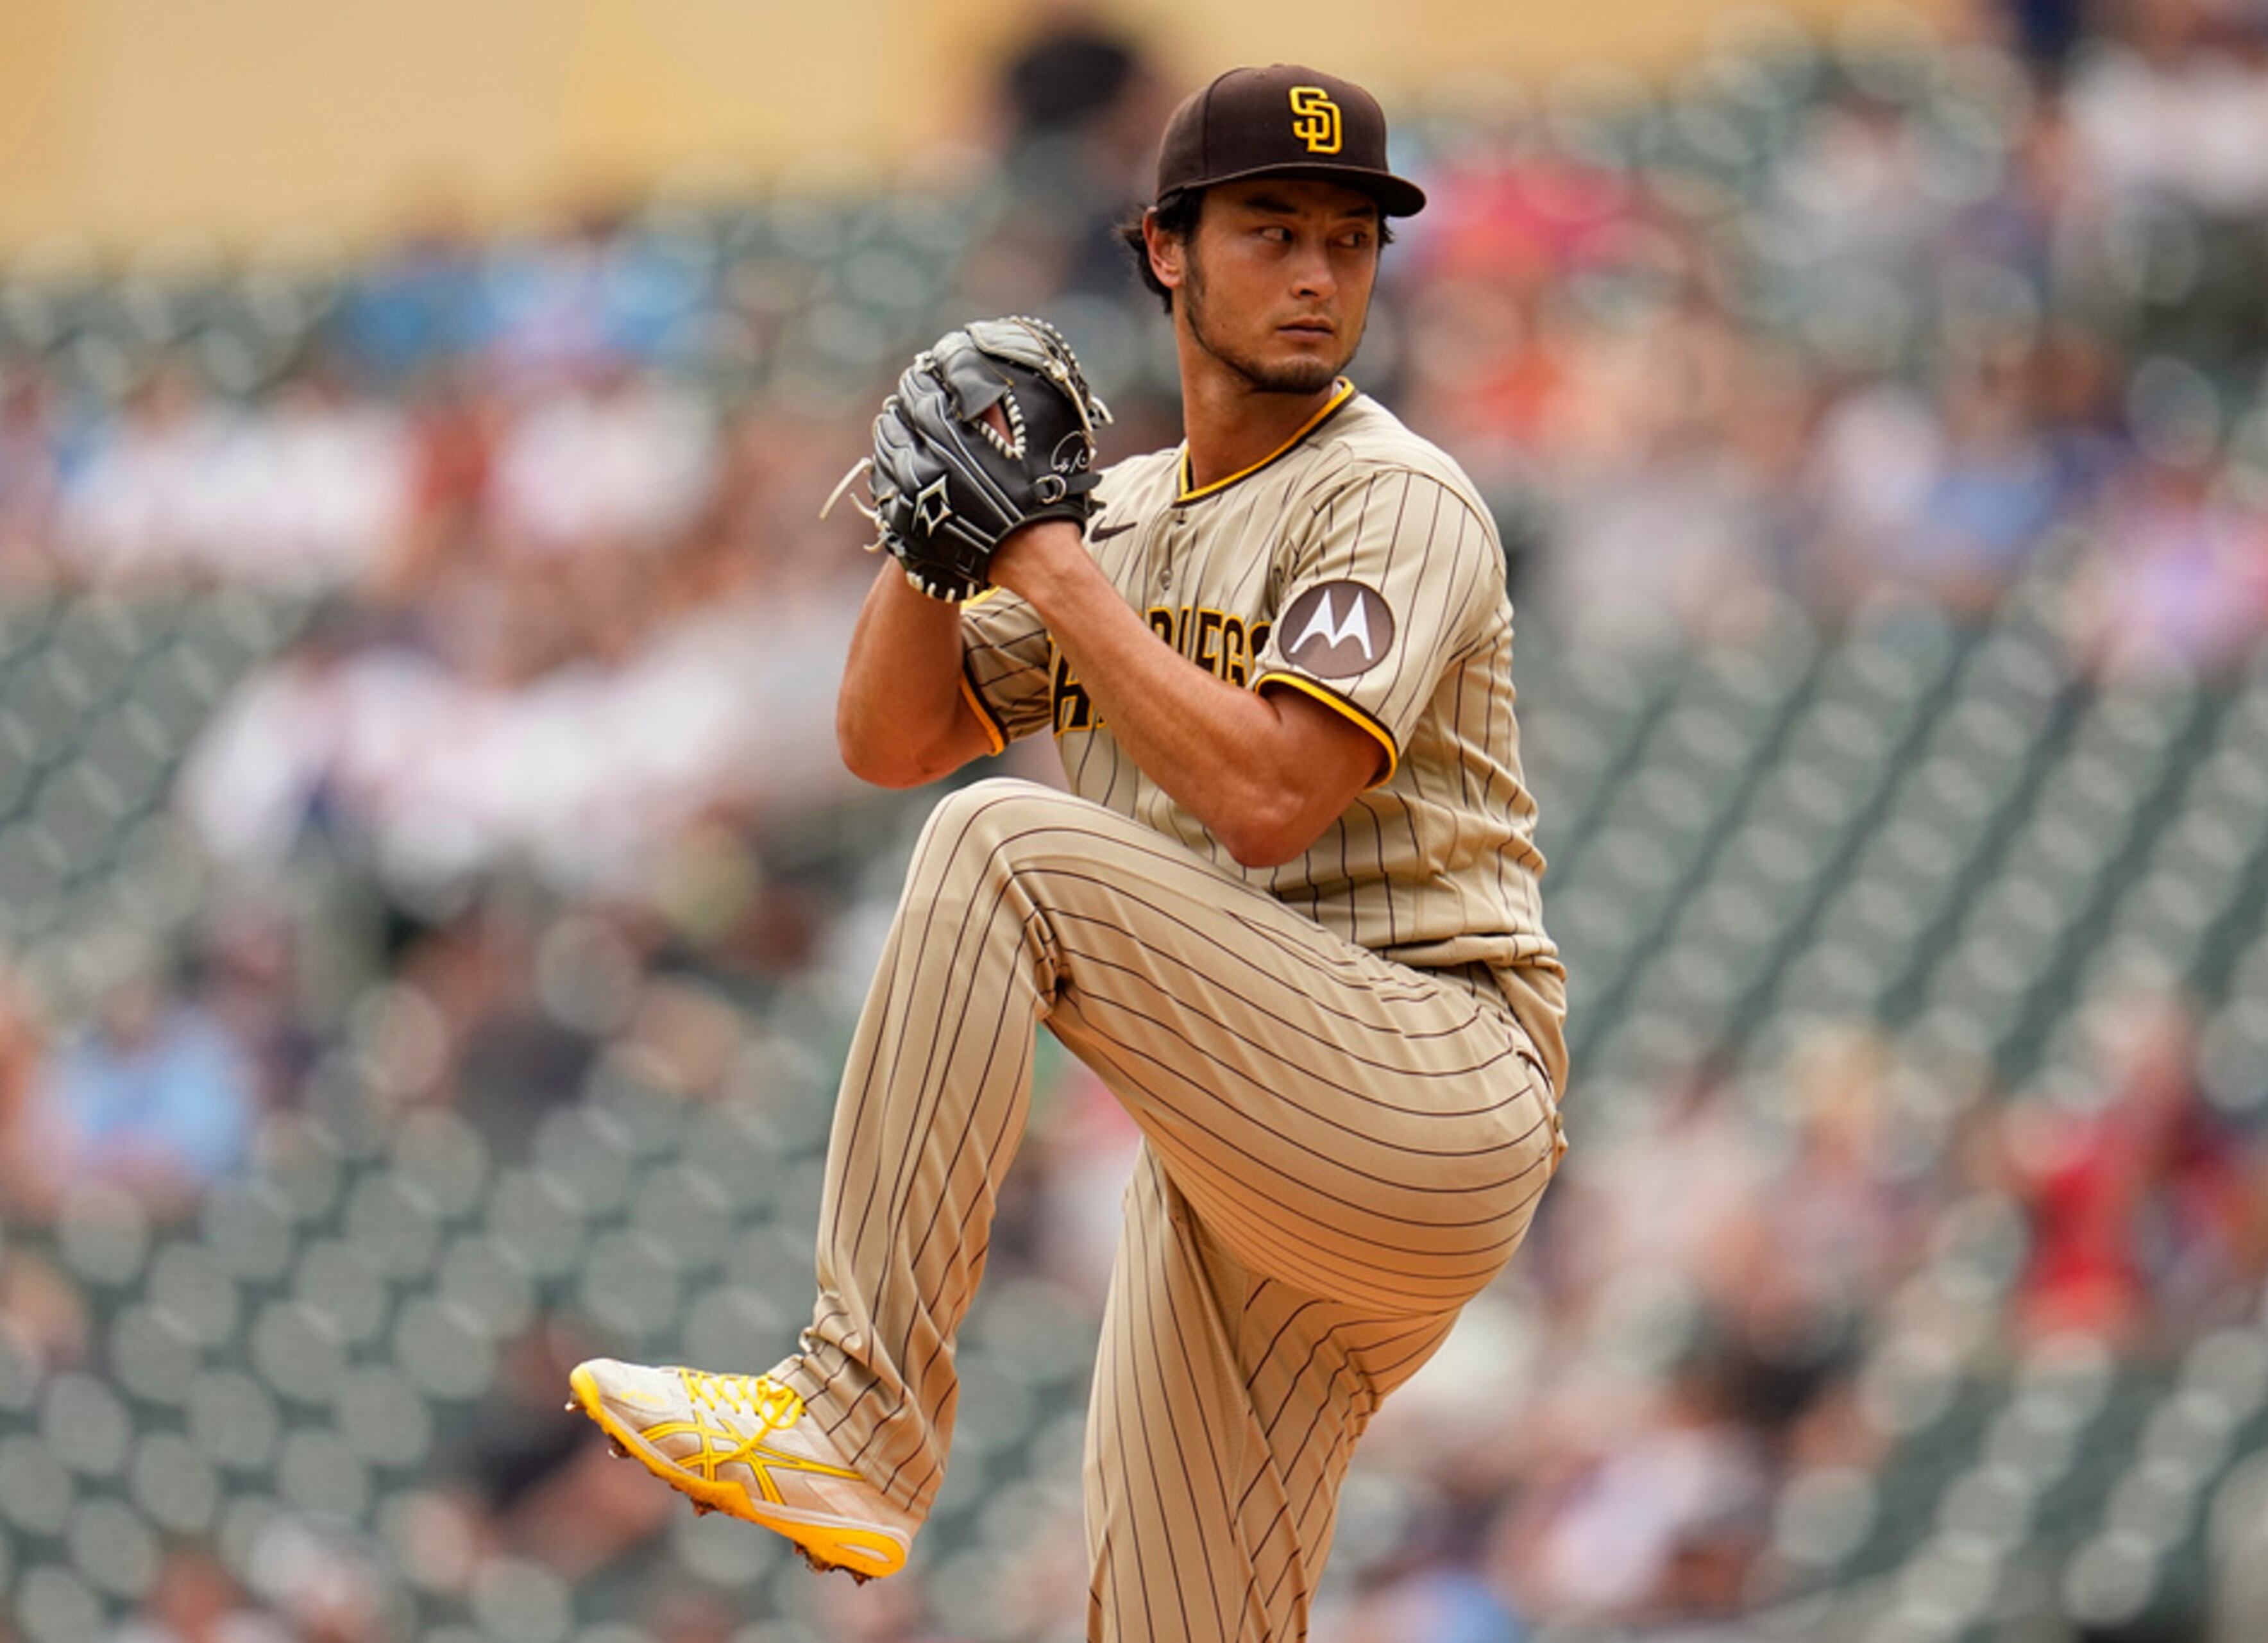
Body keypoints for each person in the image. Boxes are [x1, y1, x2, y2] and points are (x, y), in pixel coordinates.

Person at [567, 64, 1568, 1642]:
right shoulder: (1118, 515)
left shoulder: (1395, 497)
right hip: (1244, 1160)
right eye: (1271, 230)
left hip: (1429, 1078)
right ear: (1165, 248)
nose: (1318, 272)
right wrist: (928, 538)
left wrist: (1042, 558)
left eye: (1349, 238)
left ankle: (855, 1413)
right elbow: (889, 743)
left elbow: (1271, 800)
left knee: (1005, 847)